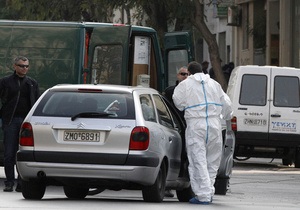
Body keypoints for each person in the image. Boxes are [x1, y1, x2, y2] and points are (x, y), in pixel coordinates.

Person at [173, 61, 232, 204]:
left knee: (197, 160)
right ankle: (208, 192)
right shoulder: (214, 84)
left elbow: (178, 103)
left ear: (190, 72)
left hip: (196, 125)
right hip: (214, 125)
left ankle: (204, 195)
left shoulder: (185, 85)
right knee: (212, 161)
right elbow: (227, 105)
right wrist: (226, 116)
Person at [0, 56, 40, 192]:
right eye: (22, 66)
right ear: (15, 66)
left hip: (26, 122)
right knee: (9, 153)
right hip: (11, 120)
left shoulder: (32, 83)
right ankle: (9, 182)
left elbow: (36, 103)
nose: (25, 68)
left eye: (27, 66)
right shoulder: (5, 82)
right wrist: (3, 116)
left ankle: (21, 182)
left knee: (22, 153)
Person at [163, 66, 189, 198]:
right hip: (173, 127)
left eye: (187, 74)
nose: (185, 76)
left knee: (185, 156)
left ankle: (183, 182)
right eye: (182, 74)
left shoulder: (192, 91)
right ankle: (167, 185)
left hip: (188, 127)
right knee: (171, 155)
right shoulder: (169, 91)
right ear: (177, 76)